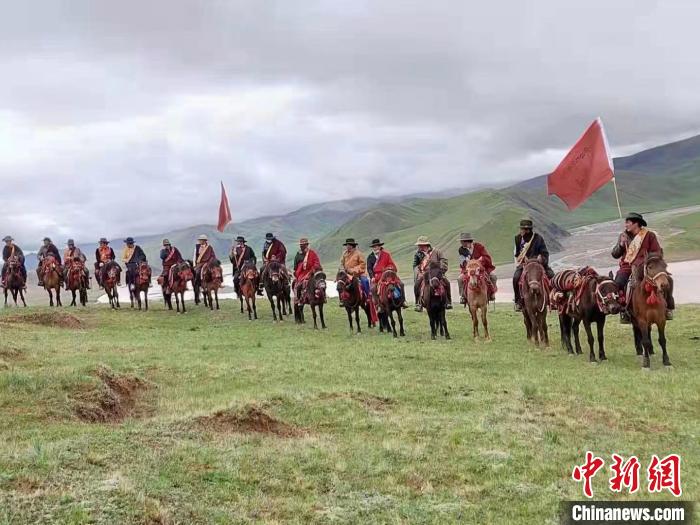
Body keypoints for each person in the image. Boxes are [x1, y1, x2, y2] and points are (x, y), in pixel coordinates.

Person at [615, 212, 674, 322]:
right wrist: (621, 245)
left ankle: (668, 308)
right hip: (627, 267)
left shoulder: (649, 235)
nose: (625, 225)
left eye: (628, 222)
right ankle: (624, 310)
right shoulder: (623, 236)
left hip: (646, 266)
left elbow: (656, 252)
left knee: (668, 280)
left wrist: (646, 261)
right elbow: (615, 254)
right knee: (618, 283)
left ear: (636, 223)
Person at [512, 219, 554, 311]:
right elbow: (518, 254)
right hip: (525, 265)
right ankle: (518, 301)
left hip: (538, 264)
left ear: (528, 230)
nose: (521, 231)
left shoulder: (538, 239)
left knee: (551, 275)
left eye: (522, 229)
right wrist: (522, 259)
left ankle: (552, 299)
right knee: (516, 278)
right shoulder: (518, 238)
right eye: (521, 229)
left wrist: (541, 259)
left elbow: (545, 253)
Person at [412, 236, 452, 312]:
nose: (419, 247)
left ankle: (448, 301)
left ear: (426, 245)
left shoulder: (437, 252)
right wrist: (418, 273)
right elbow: (415, 265)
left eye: (421, 245)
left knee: (447, 282)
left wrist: (441, 270)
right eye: (419, 245)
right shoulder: (417, 254)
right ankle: (418, 303)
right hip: (424, 274)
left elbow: (444, 261)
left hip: (437, 274)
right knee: (417, 285)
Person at [457, 232, 497, 303]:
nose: (461, 243)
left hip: (481, 269)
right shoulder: (461, 250)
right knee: (460, 279)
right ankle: (462, 296)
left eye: (462, 241)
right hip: (468, 270)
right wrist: (468, 264)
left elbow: (486, 257)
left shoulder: (479, 247)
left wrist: (479, 261)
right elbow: (462, 262)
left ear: (467, 241)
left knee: (493, 276)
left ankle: (492, 293)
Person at [368, 238, 406, 308]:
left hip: (388, 275)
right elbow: (369, 268)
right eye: (374, 247)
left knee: (401, 284)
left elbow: (391, 264)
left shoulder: (386, 254)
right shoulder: (370, 257)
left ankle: (403, 301)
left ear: (380, 246)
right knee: (373, 289)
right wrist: (372, 277)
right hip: (377, 276)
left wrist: (388, 269)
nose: (375, 248)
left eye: (377, 246)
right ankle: (378, 305)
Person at [293, 238, 322, 305]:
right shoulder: (298, 255)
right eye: (301, 245)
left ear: (307, 245)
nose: (302, 246)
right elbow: (295, 265)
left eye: (304, 245)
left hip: (312, 271)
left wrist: (313, 268)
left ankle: (323, 297)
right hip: (301, 273)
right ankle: (299, 299)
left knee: (321, 282)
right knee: (299, 285)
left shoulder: (312, 253)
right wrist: (297, 271)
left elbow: (317, 262)